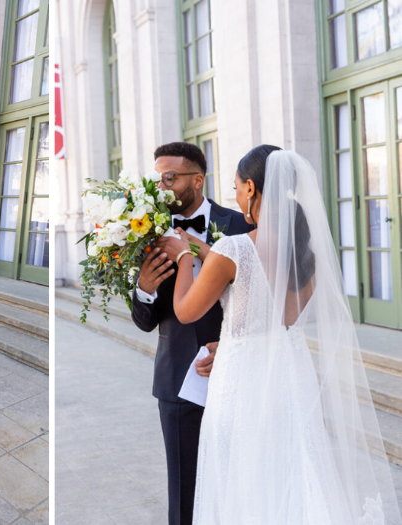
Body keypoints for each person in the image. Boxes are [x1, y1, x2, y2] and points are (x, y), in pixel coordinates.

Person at [161, 146, 401, 524]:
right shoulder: (307, 253)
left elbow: (185, 310)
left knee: (242, 475)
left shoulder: (233, 249)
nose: (236, 195)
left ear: (252, 189)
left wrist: (184, 256)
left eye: (237, 187)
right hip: (291, 377)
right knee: (291, 469)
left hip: (241, 383)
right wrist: (210, 257)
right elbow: (278, 320)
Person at [131, 142, 252, 525]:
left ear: (196, 180)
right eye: (157, 179)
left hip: (238, 373)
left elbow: (262, 297)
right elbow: (144, 321)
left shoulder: (241, 225)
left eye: (171, 177)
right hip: (177, 379)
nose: (161, 187)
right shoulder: (143, 231)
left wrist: (236, 347)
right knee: (184, 492)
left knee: (239, 483)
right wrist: (143, 288)